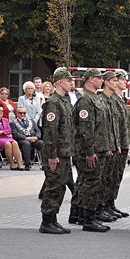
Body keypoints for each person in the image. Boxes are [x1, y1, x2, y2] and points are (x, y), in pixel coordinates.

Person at [71, 68, 111, 232]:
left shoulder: (95, 98)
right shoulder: (86, 101)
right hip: (90, 151)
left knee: (92, 183)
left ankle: (83, 215)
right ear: (89, 80)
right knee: (90, 184)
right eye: (98, 78)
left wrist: (106, 146)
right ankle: (88, 219)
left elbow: (102, 127)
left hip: (98, 148)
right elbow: (86, 129)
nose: (101, 80)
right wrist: (89, 151)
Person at [38, 68, 76, 234]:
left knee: (60, 187)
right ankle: (47, 221)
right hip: (56, 153)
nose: (71, 83)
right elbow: (50, 132)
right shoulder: (53, 102)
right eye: (69, 80)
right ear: (60, 82)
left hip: (65, 152)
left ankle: (53, 219)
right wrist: (52, 155)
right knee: (53, 186)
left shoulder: (65, 101)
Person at [97, 71, 122, 222]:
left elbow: (116, 126)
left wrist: (117, 144)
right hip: (104, 146)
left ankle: (108, 205)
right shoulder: (102, 100)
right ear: (106, 82)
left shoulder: (112, 101)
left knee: (110, 178)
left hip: (113, 144)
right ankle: (100, 208)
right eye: (113, 80)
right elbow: (102, 128)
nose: (116, 82)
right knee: (102, 179)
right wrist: (107, 146)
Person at [106, 70, 130, 218]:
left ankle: (111, 203)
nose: (123, 82)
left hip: (122, 142)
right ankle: (106, 204)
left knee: (117, 177)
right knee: (110, 177)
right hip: (116, 144)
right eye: (122, 80)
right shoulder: (112, 99)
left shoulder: (120, 99)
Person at [0, 104, 24, 170]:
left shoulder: (5, 120)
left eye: (2, 111)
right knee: (8, 143)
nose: (1, 112)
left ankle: (19, 164)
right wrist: (5, 132)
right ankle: (11, 163)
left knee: (14, 143)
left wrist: (1, 132)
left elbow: (9, 130)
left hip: (6, 138)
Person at [11, 105, 43, 170]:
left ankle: (45, 164)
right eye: (20, 113)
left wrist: (36, 137)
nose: (22, 114)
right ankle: (27, 164)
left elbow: (38, 131)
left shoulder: (32, 121)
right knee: (26, 143)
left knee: (41, 143)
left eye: (24, 113)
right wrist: (26, 138)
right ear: (17, 113)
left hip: (33, 139)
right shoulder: (13, 123)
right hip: (21, 140)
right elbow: (15, 134)